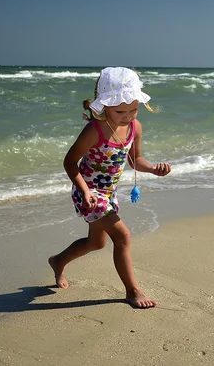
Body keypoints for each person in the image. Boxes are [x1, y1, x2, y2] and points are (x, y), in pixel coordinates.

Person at [49, 67, 172, 309]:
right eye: (120, 111)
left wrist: (154, 169)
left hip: (108, 192)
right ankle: (132, 291)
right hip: (89, 193)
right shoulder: (93, 131)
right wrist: (84, 191)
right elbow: (69, 162)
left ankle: (58, 261)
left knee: (96, 243)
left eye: (133, 109)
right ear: (104, 106)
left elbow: (135, 160)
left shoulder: (135, 127)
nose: (128, 116)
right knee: (122, 236)